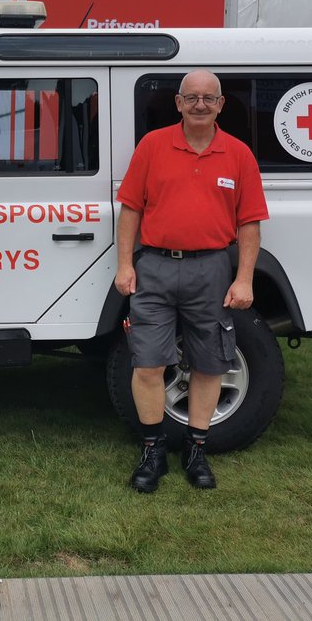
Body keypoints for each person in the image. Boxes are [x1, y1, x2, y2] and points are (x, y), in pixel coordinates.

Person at [114, 69, 268, 493]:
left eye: (209, 98)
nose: (200, 104)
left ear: (220, 105)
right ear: (178, 103)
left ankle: (196, 450)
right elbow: (130, 209)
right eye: (192, 97)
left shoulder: (238, 155)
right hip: (156, 267)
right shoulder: (153, 146)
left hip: (212, 270)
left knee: (210, 361)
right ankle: (152, 450)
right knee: (147, 363)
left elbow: (250, 223)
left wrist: (244, 280)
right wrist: (125, 266)